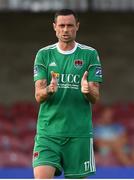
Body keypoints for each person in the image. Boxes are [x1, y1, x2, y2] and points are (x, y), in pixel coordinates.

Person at [33, 9, 103, 179]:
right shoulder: (44, 54)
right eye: (62, 25)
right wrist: (49, 90)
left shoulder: (90, 54)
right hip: (48, 133)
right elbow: (38, 95)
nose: (65, 30)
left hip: (78, 134)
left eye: (70, 25)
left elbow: (95, 96)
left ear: (77, 26)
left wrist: (88, 90)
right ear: (54, 27)